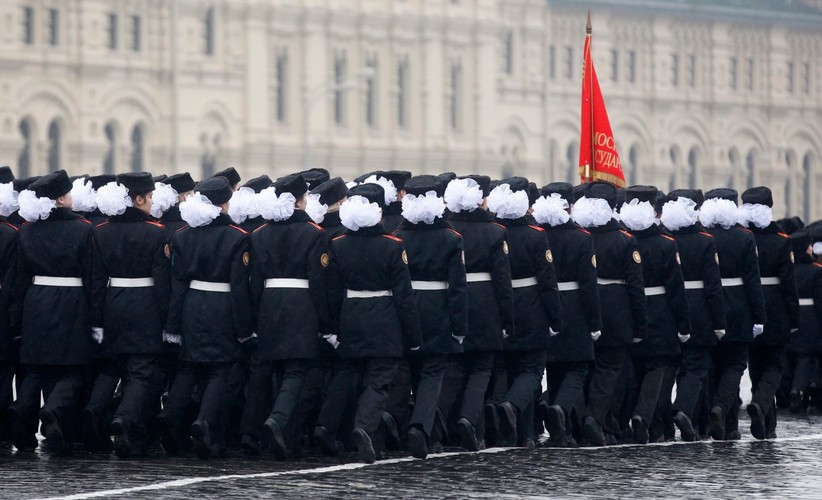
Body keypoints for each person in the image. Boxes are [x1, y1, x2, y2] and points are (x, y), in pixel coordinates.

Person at [326, 183, 422, 463]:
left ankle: (370, 439)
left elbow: (332, 292)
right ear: (379, 211)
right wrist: (413, 336)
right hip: (384, 319)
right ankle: (364, 428)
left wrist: (333, 327)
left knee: (356, 378)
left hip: (350, 315)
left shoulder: (338, 244)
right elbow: (404, 297)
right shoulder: (393, 245)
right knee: (380, 382)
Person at [159, 176, 253, 459]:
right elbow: (239, 288)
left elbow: (177, 287)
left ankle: (171, 415)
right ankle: (205, 422)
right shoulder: (238, 237)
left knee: (188, 367)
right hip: (222, 307)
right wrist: (244, 329)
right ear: (224, 205)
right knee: (220, 369)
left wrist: (172, 327)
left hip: (191, 305)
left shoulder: (181, 236)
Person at [241, 173, 330, 459]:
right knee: (297, 369)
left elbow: (254, 282)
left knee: (276, 368)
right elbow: (319, 282)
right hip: (301, 305)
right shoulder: (315, 233)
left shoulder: (259, 234)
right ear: (300, 201)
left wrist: (254, 316)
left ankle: (284, 437)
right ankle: (278, 420)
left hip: (269, 303)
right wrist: (325, 321)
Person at [8, 170, 95, 455]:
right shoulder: (84, 229)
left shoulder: (28, 230)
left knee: (35, 367)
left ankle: (22, 414)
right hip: (71, 300)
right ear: (60, 198)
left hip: (36, 301)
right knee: (73, 366)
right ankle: (54, 410)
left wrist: (18, 316)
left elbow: (20, 279)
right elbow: (92, 277)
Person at [87, 173, 170, 458]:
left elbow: (97, 282)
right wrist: (166, 319)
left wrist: (97, 320)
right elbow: (162, 284)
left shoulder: (101, 231)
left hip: (114, 303)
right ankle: (124, 418)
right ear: (138, 199)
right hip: (145, 305)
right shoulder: (157, 232)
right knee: (141, 370)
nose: (152, 203)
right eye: (149, 198)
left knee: (112, 365)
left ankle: (94, 409)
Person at [437, 175, 513, 451]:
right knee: (481, 368)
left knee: (455, 367)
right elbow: (503, 282)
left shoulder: (447, 228)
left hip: (452, 299)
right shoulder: (495, 231)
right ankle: (469, 419)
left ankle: (440, 423)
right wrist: (507, 318)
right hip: (485, 303)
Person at [394, 175, 467, 459]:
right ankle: (420, 429)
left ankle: (419, 432)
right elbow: (458, 289)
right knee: (433, 374)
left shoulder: (398, 237)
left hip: (408, 307)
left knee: (410, 371)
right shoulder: (451, 238)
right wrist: (460, 327)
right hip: (439, 310)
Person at [488, 177, 560, 448]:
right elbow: (547, 281)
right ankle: (514, 408)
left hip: (500, 304)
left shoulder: (494, 231)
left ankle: (523, 433)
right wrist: (555, 317)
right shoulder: (536, 234)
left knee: (509, 366)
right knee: (531, 369)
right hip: (531, 306)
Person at [572, 181, 646, 446]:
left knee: (588, 368)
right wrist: (640, 323)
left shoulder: (580, 235)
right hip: (617, 312)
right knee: (609, 370)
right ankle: (595, 418)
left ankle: (589, 421)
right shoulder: (625, 240)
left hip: (584, 309)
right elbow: (636, 287)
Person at [619, 186, 691, 444]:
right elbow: (675, 289)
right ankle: (644, 416)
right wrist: (684, 324)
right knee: (657, 368)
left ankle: (645, 422)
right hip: (661, 312)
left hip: (628, 309)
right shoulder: (666, 243)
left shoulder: (623, 237)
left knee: (636, 368)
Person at [532, 182, 600, 447]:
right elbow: (588, 285)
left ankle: (564, 430)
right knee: (578, 367)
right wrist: (595, 322)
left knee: (555, 366)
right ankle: (559, 407)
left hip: (545, 304)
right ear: (571, 206)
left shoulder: (539, 234)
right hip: (575, 306)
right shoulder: (582, 237)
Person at [701, 188, 766, 441]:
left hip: (711, 307)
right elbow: (753, 281)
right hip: (739, 308)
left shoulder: (704, 235)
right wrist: (759, 316)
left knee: (716, 364)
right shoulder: (744, 237)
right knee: (736, 364)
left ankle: (727, 425)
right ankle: (722, 411)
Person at [661, 190, 725, 441]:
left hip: (668, 307)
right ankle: (684, 409)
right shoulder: (704, 240)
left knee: (668, 368)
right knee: (696, 366)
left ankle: (665, 423)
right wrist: (719, 321)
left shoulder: (665, 237)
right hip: (699, 311)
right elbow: (713, 286)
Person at [739, 186, 799, 439]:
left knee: (756, 364)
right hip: (775, 309)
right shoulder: (781, 240)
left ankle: (766, 426)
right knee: (774, 364)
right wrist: (794, 318)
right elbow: (788, 284)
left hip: (747, 307)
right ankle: (761, 404)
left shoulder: (742, 237)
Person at [787, 230, 822, 411]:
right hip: (811, 319)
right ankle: (799, 389)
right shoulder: (816, 271)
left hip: (790, 315)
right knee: (806, 357)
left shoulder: (788, 270)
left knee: (791, 357)